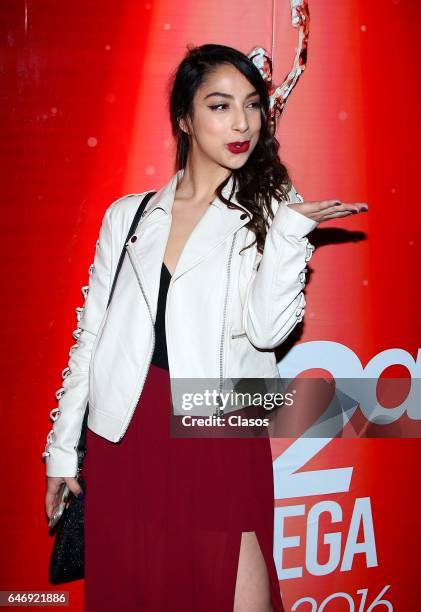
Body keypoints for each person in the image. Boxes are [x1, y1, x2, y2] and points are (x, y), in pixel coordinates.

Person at [44, 43, 368, 611]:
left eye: (251, 105)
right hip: (127, 429)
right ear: (185, 120)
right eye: (220, 105)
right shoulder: (130, 215)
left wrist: (292, 236)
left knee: (243, 595)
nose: (242, 122)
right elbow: (90, 339)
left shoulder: (270, 211)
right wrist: (63, 453)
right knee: (140, 589)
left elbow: (268, 332)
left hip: (216, 425)